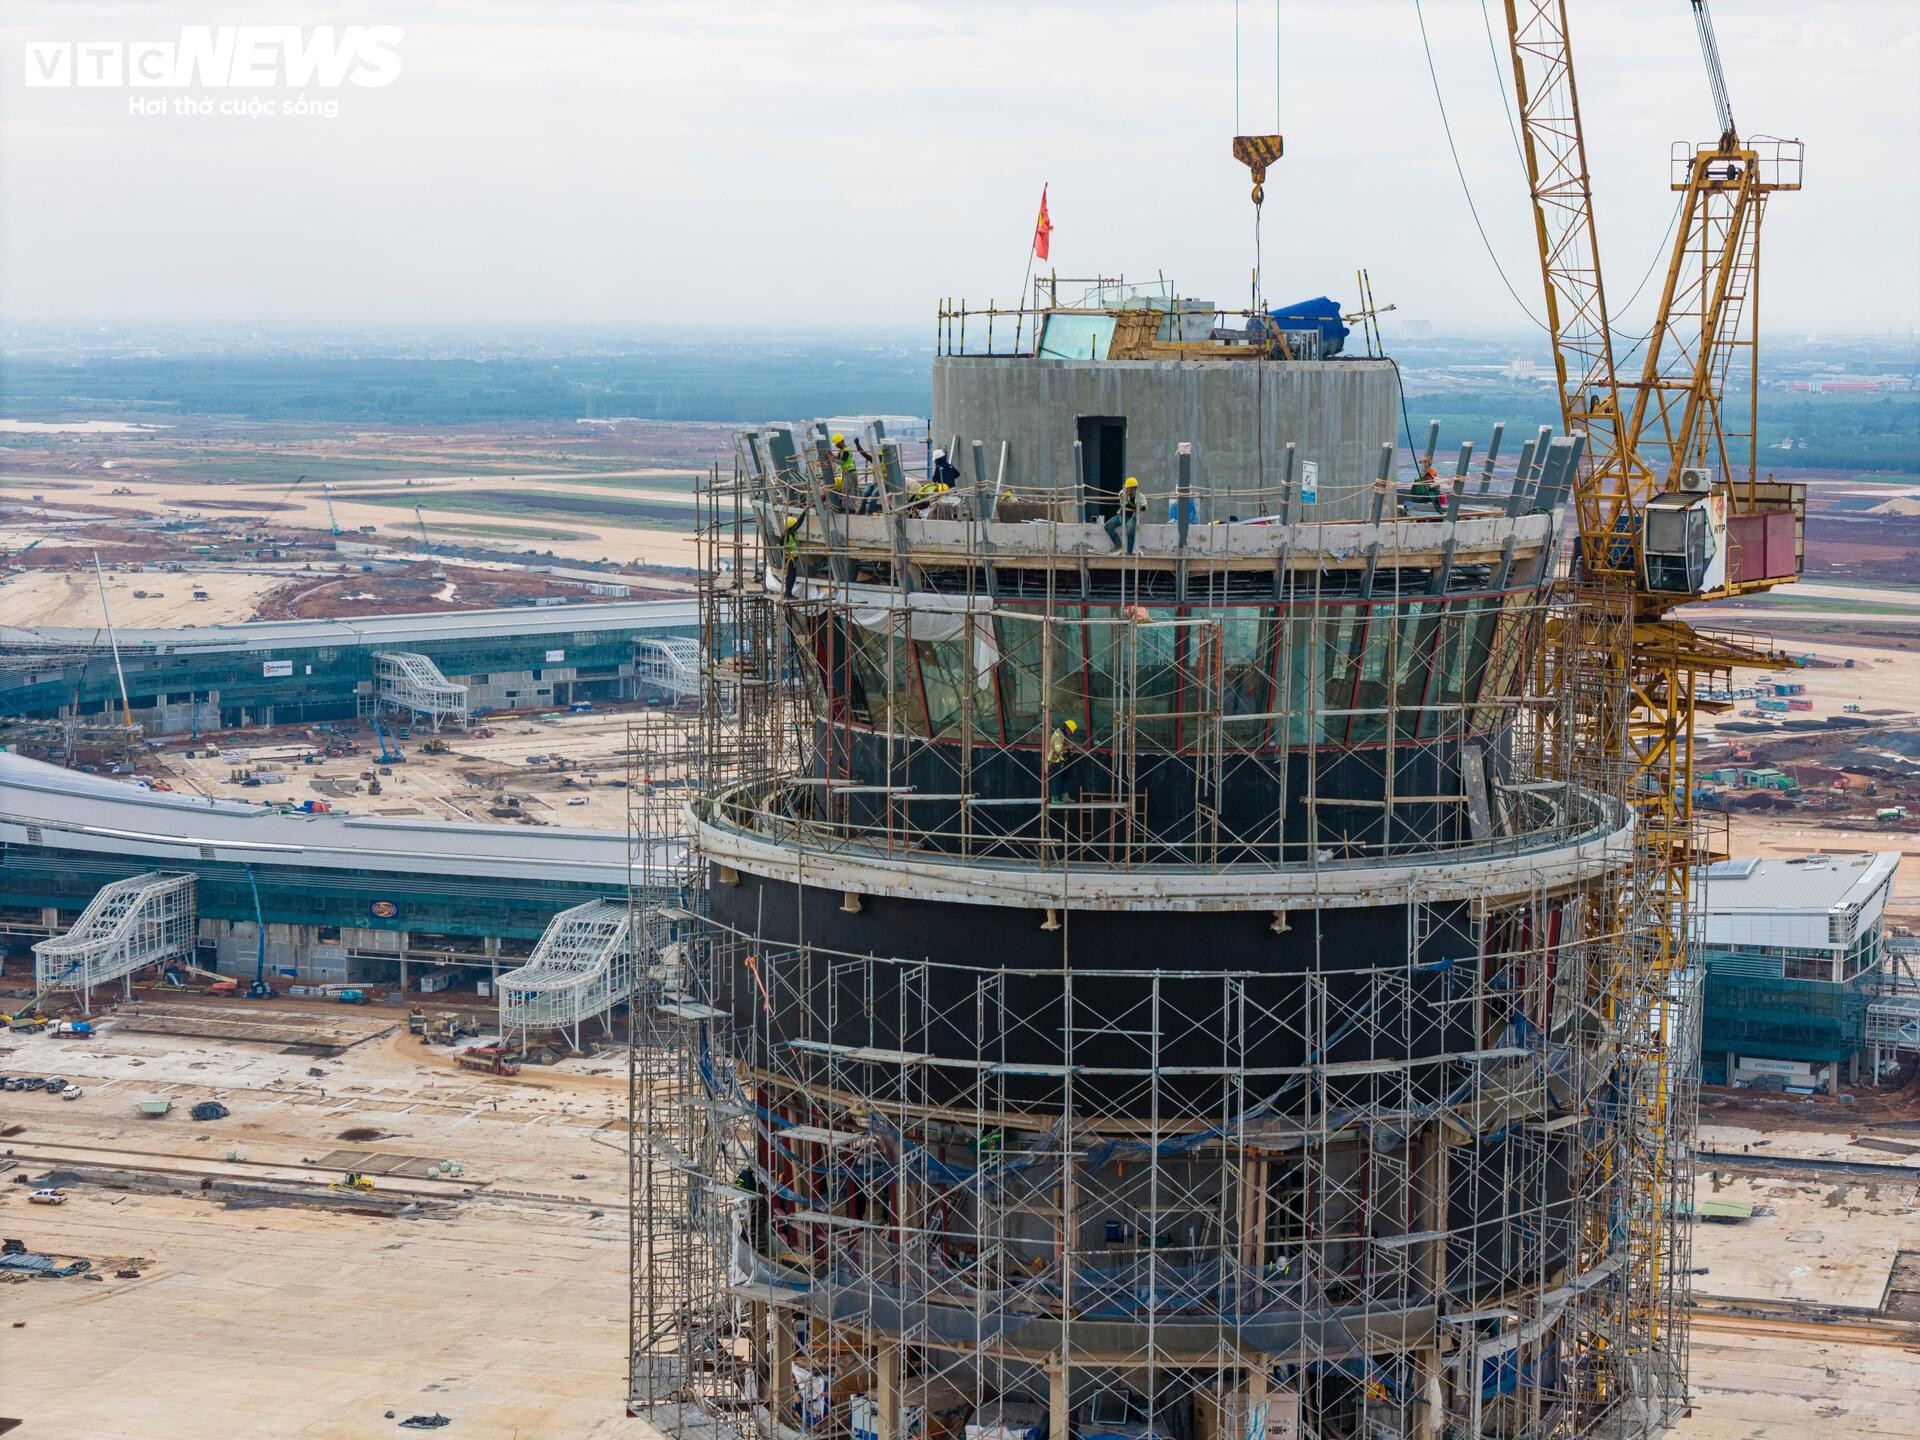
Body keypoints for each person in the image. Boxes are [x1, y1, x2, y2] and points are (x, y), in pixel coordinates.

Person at [1105, 476, 1144, 554]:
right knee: (1108, 526)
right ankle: (1118, 545)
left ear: (1133, 488)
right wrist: (1123, 495)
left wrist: (1139, 507)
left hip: (1132, 517)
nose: (1127, 489)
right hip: (1121, 516)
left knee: (1130, 534)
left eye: (1129, 488)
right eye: (1127, 488)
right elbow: (1121, 492)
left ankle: (1129, 553)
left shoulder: (1140, 496)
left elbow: (1144, 506)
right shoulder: (1124, 493)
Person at [1046, 717, 1080, 802]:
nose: (1070, 734)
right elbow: (1058, 749)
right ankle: (1055, 798)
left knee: (1064, 777)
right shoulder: (1058, 735)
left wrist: (1069, 748)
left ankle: (1065, 796)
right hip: (1054, 760)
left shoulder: (1061, 734)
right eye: (1070, 731)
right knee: (1056, 779)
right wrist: (1068, 747)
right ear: (1066, 728)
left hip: (1059, 760)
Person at [781, 514, 803, 597]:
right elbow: (780, 543)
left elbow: (799, 523)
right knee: (790, 576)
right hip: (790, 559)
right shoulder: (787, 535)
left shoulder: (791, 533)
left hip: (793, 558)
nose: (795, 526)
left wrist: (804, 513)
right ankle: (788, 594)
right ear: (791, 526)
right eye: (794, 525)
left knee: (791, 576)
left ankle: (788, 593)